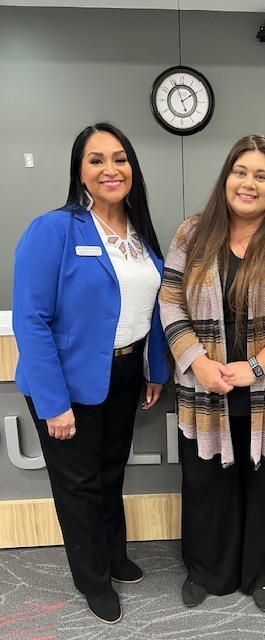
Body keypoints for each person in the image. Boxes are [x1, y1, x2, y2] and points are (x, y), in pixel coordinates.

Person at [160, 134, 265, 612]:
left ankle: (259, 574)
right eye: (241, 172)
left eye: (262, 175)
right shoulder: (192, 233)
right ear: (226, 177)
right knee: (205, 484)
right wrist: (196, 361)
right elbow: (170, 301)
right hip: (206, 386)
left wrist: (253, 368)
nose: (249, 183)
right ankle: (206, 571)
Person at [12, 122, 170, 624]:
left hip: (124, 374)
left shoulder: (140, 234)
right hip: (66, 382)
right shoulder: (55, 229)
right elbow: (31, 319)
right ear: (80, 171)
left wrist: (153, 368)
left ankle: (112, 555)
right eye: (96, 159)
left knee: (109, 474)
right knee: (78, 485)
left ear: (132, 169)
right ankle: (92, 579)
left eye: (119, 158)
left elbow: (152, 309)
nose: (110, 169)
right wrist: (54, 403)